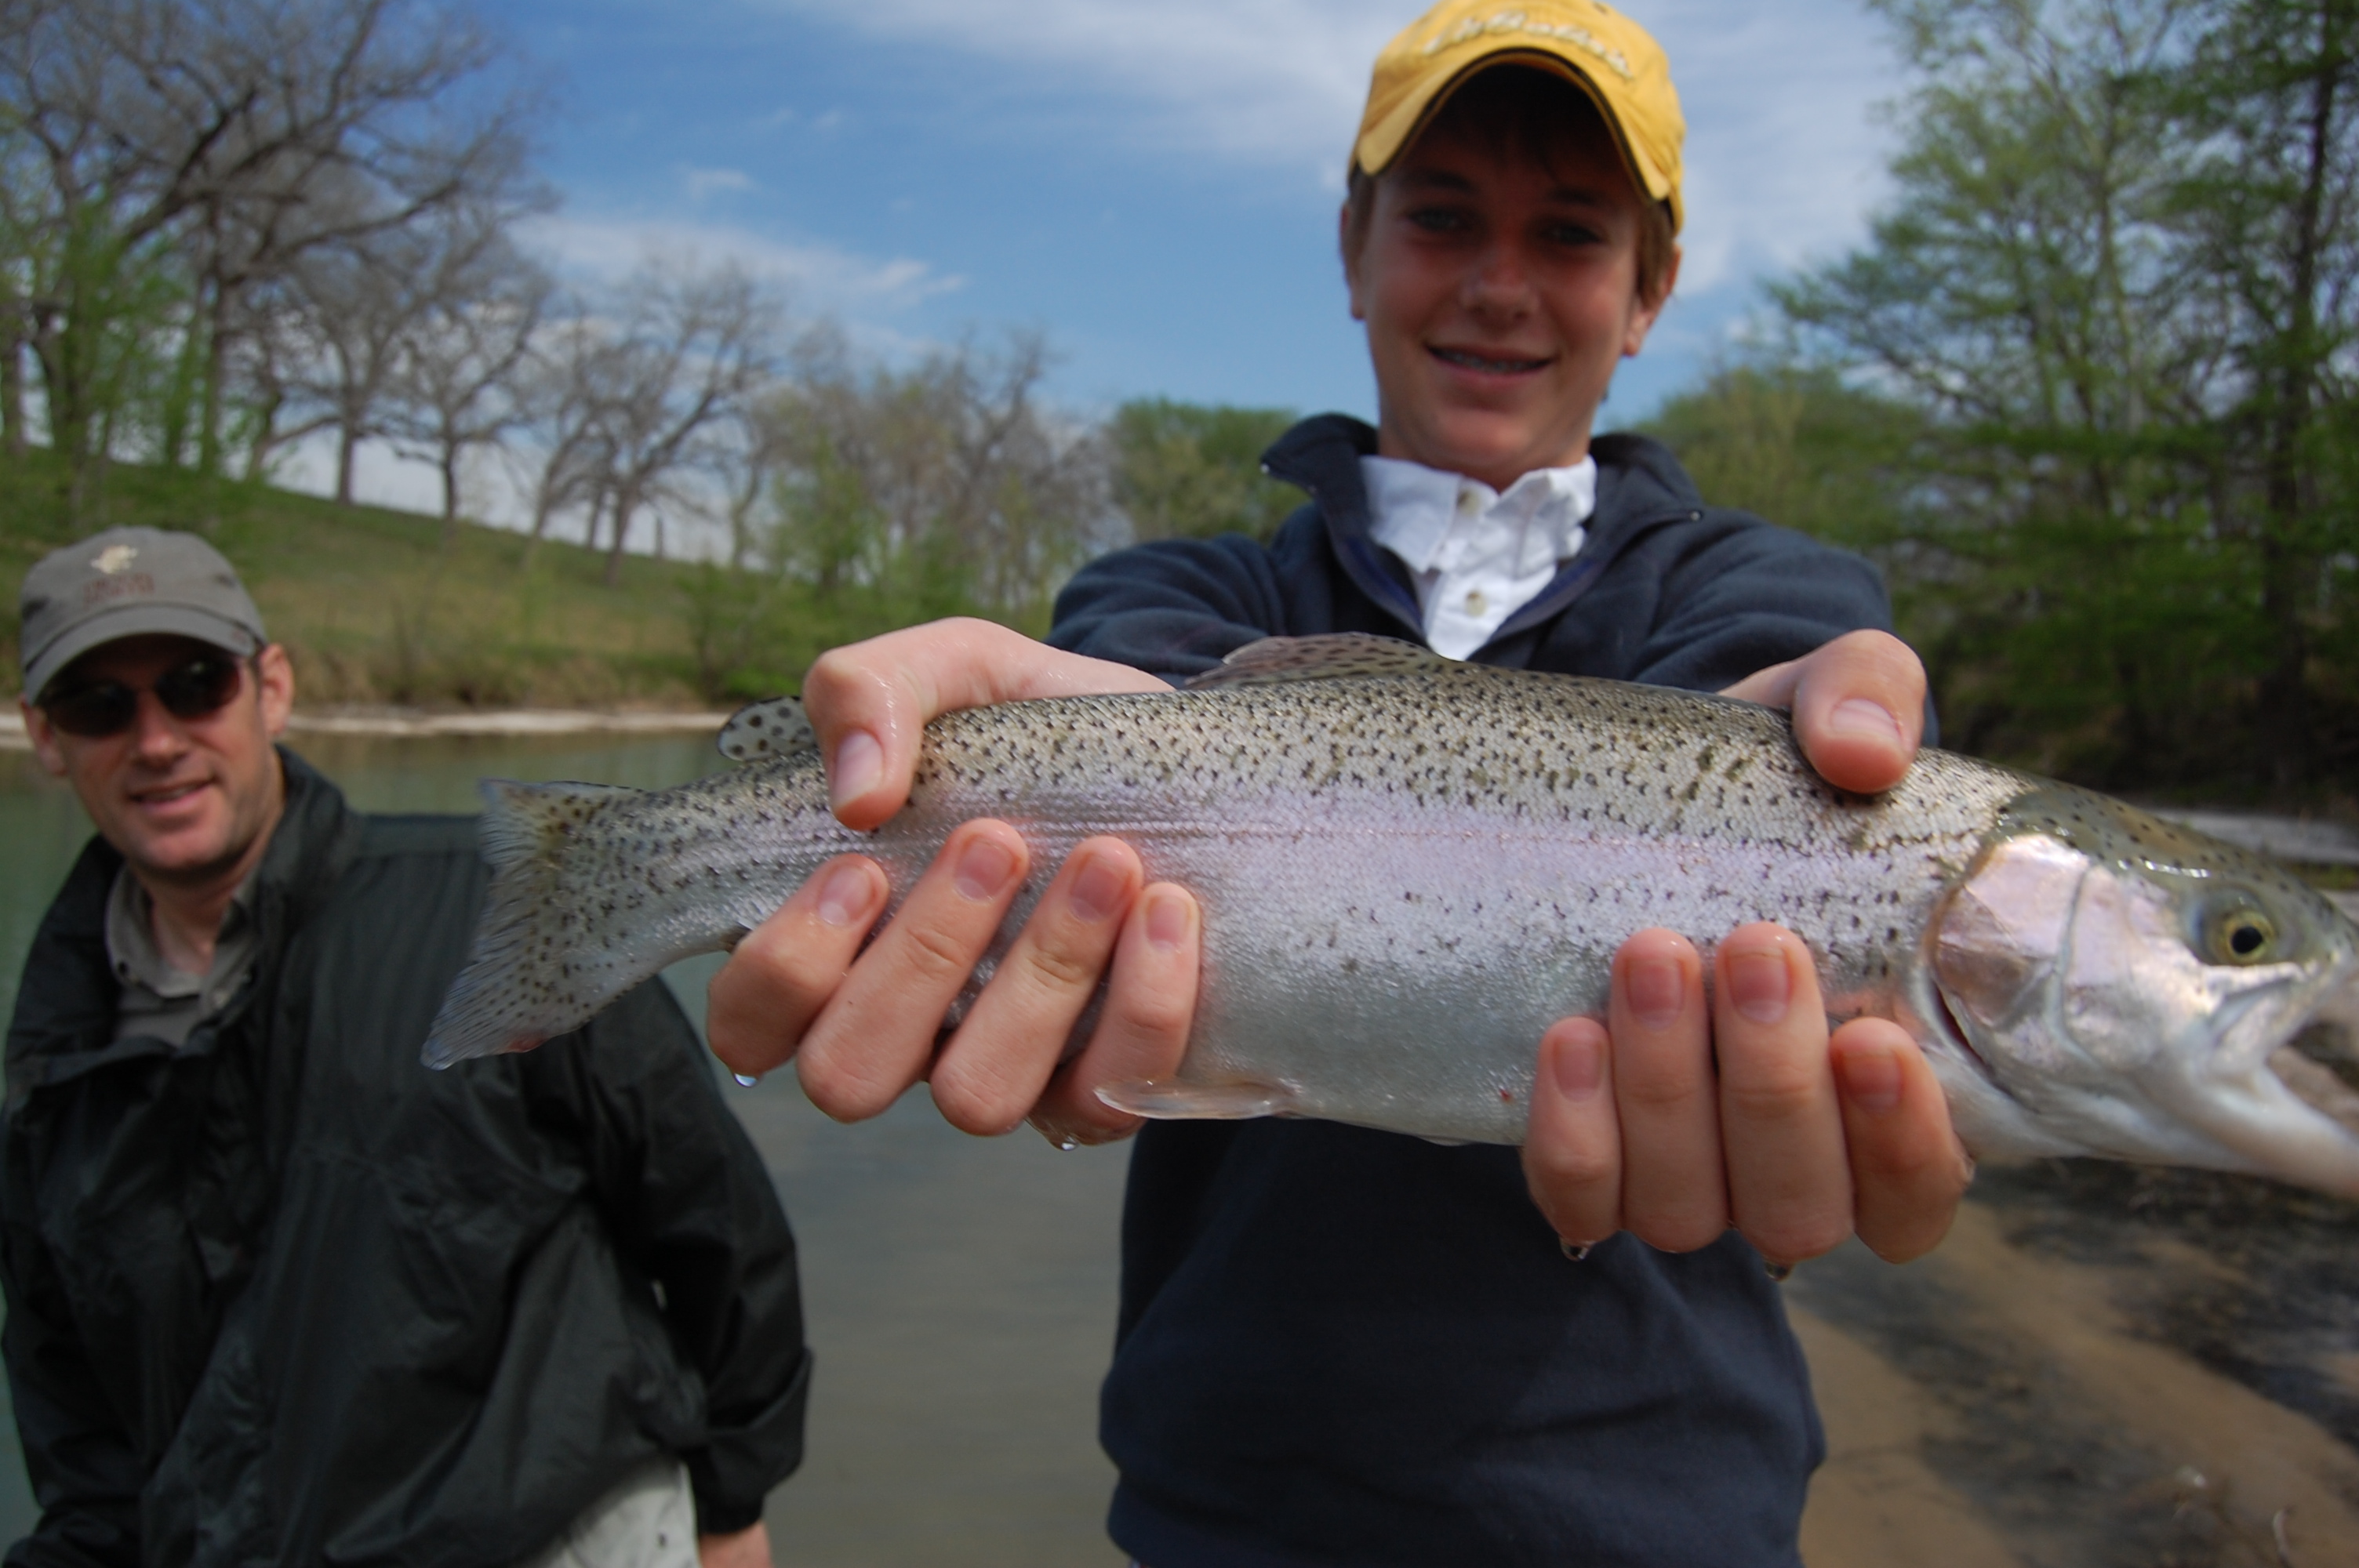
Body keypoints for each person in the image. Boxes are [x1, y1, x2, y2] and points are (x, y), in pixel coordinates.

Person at [706, 2, 1972, 1563]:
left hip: (1666, 1516)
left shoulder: (1760, 592)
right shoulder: (1174, 592)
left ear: (1646, 292)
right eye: (1441, 217)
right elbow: (1133, 729)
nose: (1500, 285)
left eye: (1568, 233)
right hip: (1225, 1512)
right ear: (1352, 245)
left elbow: (1779, 688)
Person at [3, 527, 809, 1568]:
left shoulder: (504, 905)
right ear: (45, 736)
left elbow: (718, 1225)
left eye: (195, 684)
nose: (156, 740)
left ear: (271, 687)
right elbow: (71, 1411)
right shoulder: (52, 1049)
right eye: (99, 706)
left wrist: (734, 1507)